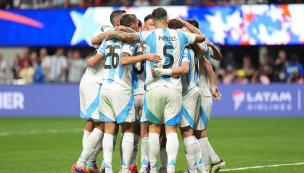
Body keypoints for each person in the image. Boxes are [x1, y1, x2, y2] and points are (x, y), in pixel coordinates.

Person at [106, 7, 205, 173]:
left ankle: (151, 168)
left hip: (153, 88)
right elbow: (201, 38)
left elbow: (126, 37)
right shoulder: (181, 35)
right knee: (171, 130)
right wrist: (184, 24)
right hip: (173, 87)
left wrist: (112, 32)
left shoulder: (147, 35)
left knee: (153, 129)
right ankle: (171, 168)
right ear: (167, 20)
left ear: (154, 20)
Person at [182, 18, 225, 173]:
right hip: (194, 93)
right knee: (192, 132)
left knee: (195, 132)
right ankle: (213, 161)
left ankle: (202, 168)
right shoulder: (189, 44)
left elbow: (209, 64)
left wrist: (213, 86)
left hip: (200, 92)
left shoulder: (201, 46)